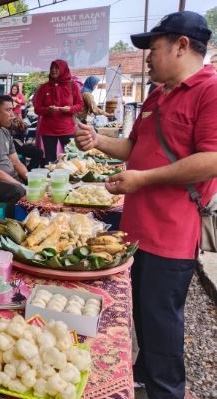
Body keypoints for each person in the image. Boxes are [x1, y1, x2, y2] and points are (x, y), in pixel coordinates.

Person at [75, 11, 217, 398]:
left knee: (162, 321)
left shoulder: (210, 90)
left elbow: (212, 158)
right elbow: (134, 148)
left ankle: (167, 389)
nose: (147, 58)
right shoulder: (157, 95)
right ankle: (143, 373)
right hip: (135, 229)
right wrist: (98, 141)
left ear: (182, 46)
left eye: (153, 49)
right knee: (140, 313)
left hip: (171, 235)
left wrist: (144, 179)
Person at [33, 59, 83, 163]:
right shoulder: (44, 87)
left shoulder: (72, 85)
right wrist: (47, 110)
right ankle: (52, 178)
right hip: (48, 130)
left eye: (57, 68)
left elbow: (80, 105)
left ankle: (71, 178)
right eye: (52, 68)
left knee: (72, 158)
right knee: (50, 160)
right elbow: (37, 109)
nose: (54, 70)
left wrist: (70, 109)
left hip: (67, 129)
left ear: (64, 69)